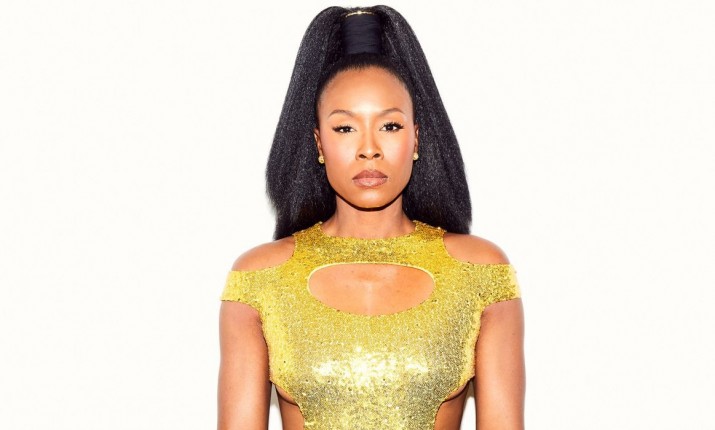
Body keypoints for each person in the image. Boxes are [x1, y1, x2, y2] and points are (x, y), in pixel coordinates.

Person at [218, 5, 524, 430]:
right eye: (345, 128)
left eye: (390, 126)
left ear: (416, 138)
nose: (369, 149)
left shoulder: (479, 272)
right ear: (318, 143)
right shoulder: (260, 279)